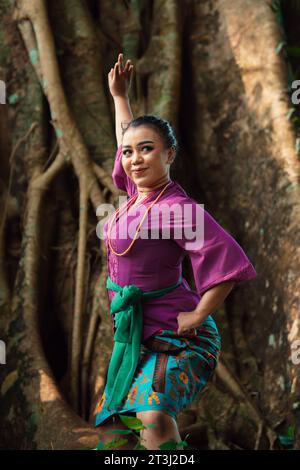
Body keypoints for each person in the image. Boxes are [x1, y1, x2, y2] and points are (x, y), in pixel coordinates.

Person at [94, 53, 258, 450]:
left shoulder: (177, 209)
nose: (134, 159)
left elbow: (230, 262)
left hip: (181, 337)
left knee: (152, 416)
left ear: (169, 154)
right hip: (136, 335)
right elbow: (126, 137)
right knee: (120, 429)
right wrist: (120, 97)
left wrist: (199, 313)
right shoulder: (136, 196)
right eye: (129, 153)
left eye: (147, 150)